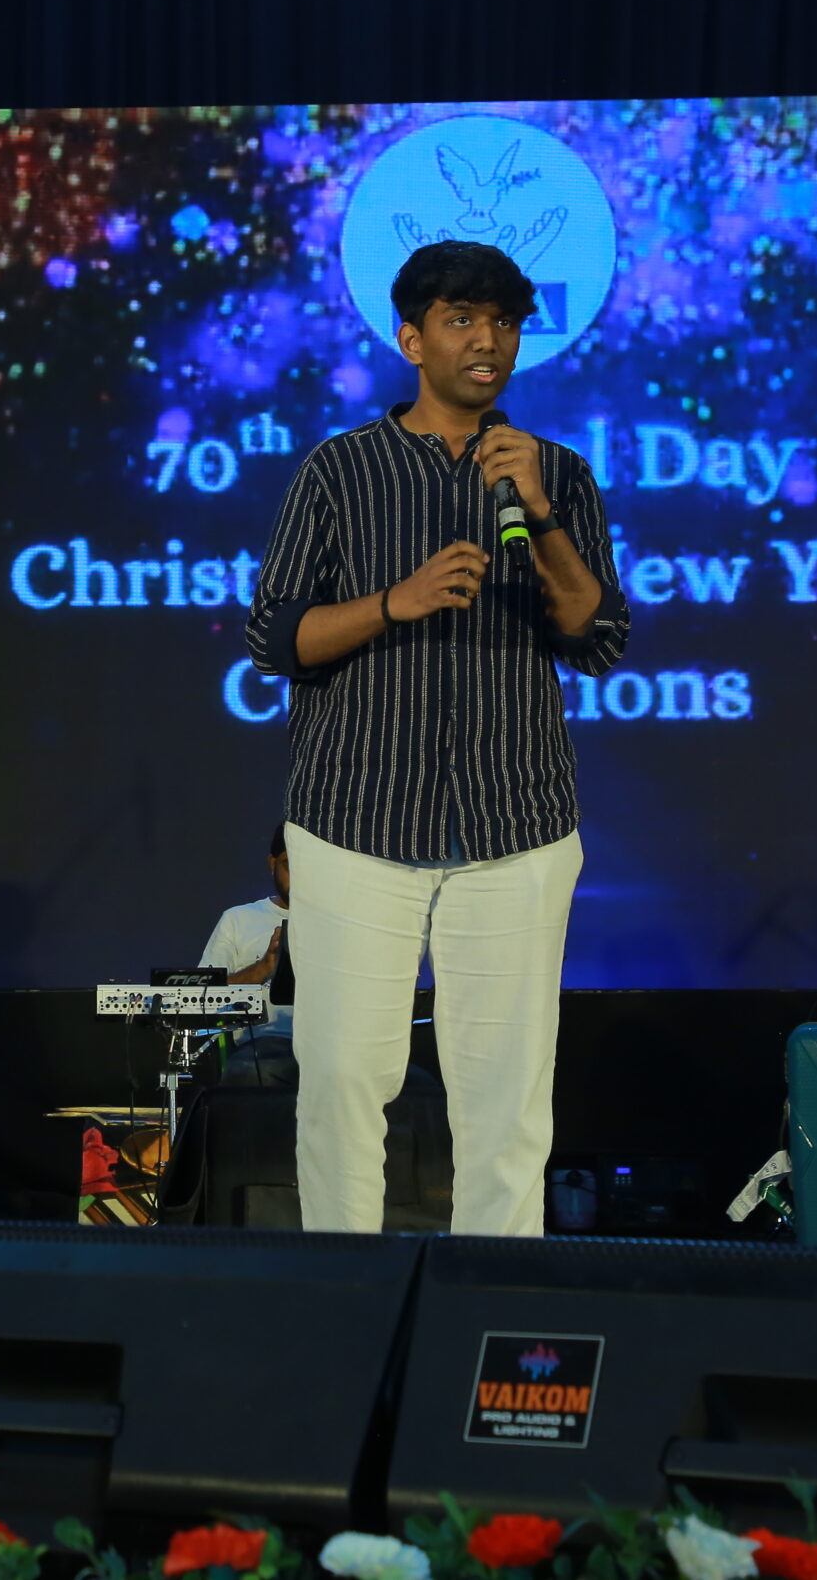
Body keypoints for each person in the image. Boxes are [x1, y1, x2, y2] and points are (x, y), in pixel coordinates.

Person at [244, 239, 630, 1237]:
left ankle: (493, 1296)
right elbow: (275, 637)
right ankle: (345, 1291)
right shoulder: (339, 470)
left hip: (516, 822)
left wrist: (540, 513)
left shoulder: (557, 473)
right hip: (356, 818)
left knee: (507, 1095)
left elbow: (596, 636)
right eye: (462, 320)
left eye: (504, 322)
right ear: (412, 339)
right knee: (343, 1077)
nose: (487, 340)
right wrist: (395, 601)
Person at [198, 827, 295, 1083]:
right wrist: (263, 968)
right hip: (268, 1043)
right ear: (272, 864)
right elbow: (202, 995)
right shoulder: (239, 919)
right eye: (290, 865)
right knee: (254, 1071)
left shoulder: (344, 923)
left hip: (335, 1044)